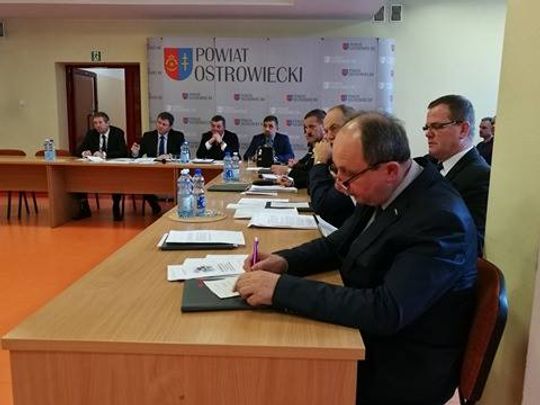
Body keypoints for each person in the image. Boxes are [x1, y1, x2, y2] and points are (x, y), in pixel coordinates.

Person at [235, 111, 477, 405]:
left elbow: (386, 310)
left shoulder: (439, 219)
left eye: (347, 174)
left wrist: (279, 289)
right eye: (336, 171)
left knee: (269, 374)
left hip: (400, 365)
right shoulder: (384, 187)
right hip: (369, 337)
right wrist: (284, 261)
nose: (340, 184)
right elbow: (337, 245)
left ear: (390, 170)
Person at [425, 94, 490, 252]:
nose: (428, 134)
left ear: (463, 129)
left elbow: (473, 242)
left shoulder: (481, 176)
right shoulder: (428, 165)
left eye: (437, 126)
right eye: (427, 127)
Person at [309, 104, 356, 227]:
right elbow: (313, 190)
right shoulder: (335, 160)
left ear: (353, 128)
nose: (329, 136)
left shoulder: (355, 163)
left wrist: (320, 162)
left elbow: (322, 205)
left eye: (334, 128)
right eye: (326, 131)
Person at [76, 111, 128, 221]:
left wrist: (104, 155)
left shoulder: (118, 133)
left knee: (116, 178)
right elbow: (77, 150)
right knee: (77, 177)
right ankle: (84, 207)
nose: (97, 126)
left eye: (100, 122)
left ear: (108, 123)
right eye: (95, 123)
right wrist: (84, 153)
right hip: (94, 169)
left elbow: (123, 152)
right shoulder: (91, 134)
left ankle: (116, 206)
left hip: (113, 169)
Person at [131, 112, 185, 215]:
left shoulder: (178, 136)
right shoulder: (148, 136)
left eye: (164, 124)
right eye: (159, 123)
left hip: (171, 170)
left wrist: (170, 155)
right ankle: (154, 205)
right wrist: (135, 152)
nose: (160, 126)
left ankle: (179, 208)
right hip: (152, 170)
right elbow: (138, 154)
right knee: (141, 181)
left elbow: (184, 153)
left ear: (170, 127)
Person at [272, 109, 326, 188]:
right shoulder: (314, 147)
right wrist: (294, 166)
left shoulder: (328, 149)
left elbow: (312, 177)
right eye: (306, 128)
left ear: (324, 127)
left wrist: (288, 171)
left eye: (312, 127)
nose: (307, 132)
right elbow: (305, 166)